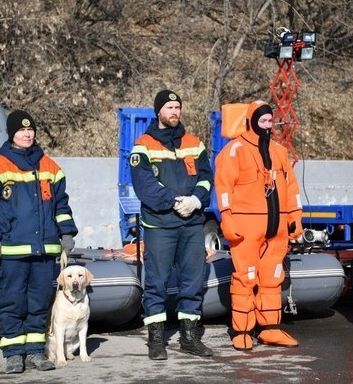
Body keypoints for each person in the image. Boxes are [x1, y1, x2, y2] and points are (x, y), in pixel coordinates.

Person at [0, 110, 78, 373]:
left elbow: (61, 206)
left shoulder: (50, 167)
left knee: (39, 303)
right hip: (11, 250)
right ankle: (14, 354)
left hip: (45, 251)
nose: (27, 134)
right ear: (12, 134)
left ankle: (34, 352)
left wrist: (66, 233)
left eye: (30, 130)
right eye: (21, 130)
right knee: (12, 302)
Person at [129, 89, 214, 360]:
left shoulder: (194, 143)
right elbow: (144, 185)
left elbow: (206, 178)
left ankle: (189, 338)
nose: (174, 112)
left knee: (193, 281)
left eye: (177, 107)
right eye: (169, 107)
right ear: (158, 112)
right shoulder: (144, 145)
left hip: (192, 224)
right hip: (161, 224)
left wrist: (197, 201)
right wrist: (175, 201)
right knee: (157, 281)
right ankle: (156, 340)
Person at [214, 100, 303, 351]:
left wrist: (295, 215)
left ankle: (270, 328)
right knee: (245, 278)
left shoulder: (279, 151)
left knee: (272, 279)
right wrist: (227, 216)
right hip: (246, 227)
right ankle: (242, 330)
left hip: (276, 228)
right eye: (263, 121)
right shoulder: (235, 150)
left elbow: (292, 186)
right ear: (252, 121)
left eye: (270, 121)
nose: (267, 126)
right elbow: (223, 186)